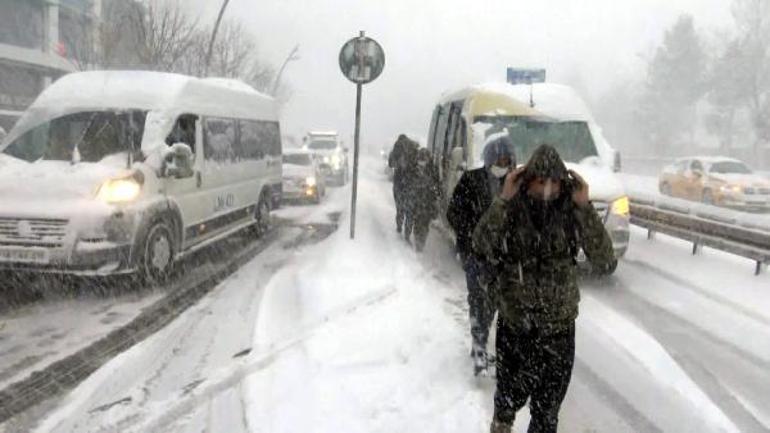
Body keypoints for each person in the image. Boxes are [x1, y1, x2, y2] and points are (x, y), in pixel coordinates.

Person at [473, 144, 615, 433]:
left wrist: (584, 207)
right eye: (541, 181)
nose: (548, 188)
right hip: (516, 325)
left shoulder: (572, 210)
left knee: (547, 414)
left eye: (554, 182)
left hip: (558, 330)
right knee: (507, 401)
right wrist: (503, 200)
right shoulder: (511, 206)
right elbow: (480, 244)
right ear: (528, 180)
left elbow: (604, 260)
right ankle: (501, 425)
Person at [447, 134, 516, 376]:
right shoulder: (471, 181)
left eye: (507, 160)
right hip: (475, 255)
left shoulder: (515, 185)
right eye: (498, 159)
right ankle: (479, 345)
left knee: (495, 303)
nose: (502, 164)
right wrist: (470, 235)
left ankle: (482, 340)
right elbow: (453, 213)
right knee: (478, 299)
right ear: (488, 159)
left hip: (503, 259)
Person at [403, 148, 439, 251]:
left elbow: (437, 186)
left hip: (426, 202)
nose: (422, 163)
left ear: (428, 160)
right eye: (420, 160)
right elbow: (407, 183)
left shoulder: (433, 170)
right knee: (413, 220)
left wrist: (434, 195)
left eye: (424, 160)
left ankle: (420, 245)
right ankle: (409, 237)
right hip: (415, 201)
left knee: (424, 224)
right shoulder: (412, 169)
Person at [388, 134, 419, 233]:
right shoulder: (414, 148)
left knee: (400, 207)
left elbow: (390, 163)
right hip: (411, 183)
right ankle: (408, 231)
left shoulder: (397, 146)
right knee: (410, 210)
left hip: (399, 182)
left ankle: (399, 226)